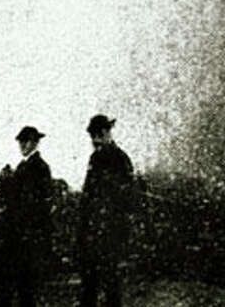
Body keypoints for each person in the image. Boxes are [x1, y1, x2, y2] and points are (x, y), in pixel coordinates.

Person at [78, 114, 135, 307]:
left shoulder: (116, 158)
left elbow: (125, 197)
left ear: (105, 133)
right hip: (99, 231)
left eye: (96, 135)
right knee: (96, 282)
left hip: (106, 231)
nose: (94, 141)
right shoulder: (105, 157)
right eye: (92, 136)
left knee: (105, 282)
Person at [0, 125, 52, 306]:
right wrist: (5, 182)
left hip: (25, 236)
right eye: (21, 141)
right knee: (14, 285)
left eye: (27, 141)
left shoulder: (39, 168)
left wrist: (7, 183)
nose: (23, 145)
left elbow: (30, 203)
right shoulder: (23, 166)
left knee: (21, 286)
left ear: (35, 143)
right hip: (18, 235)